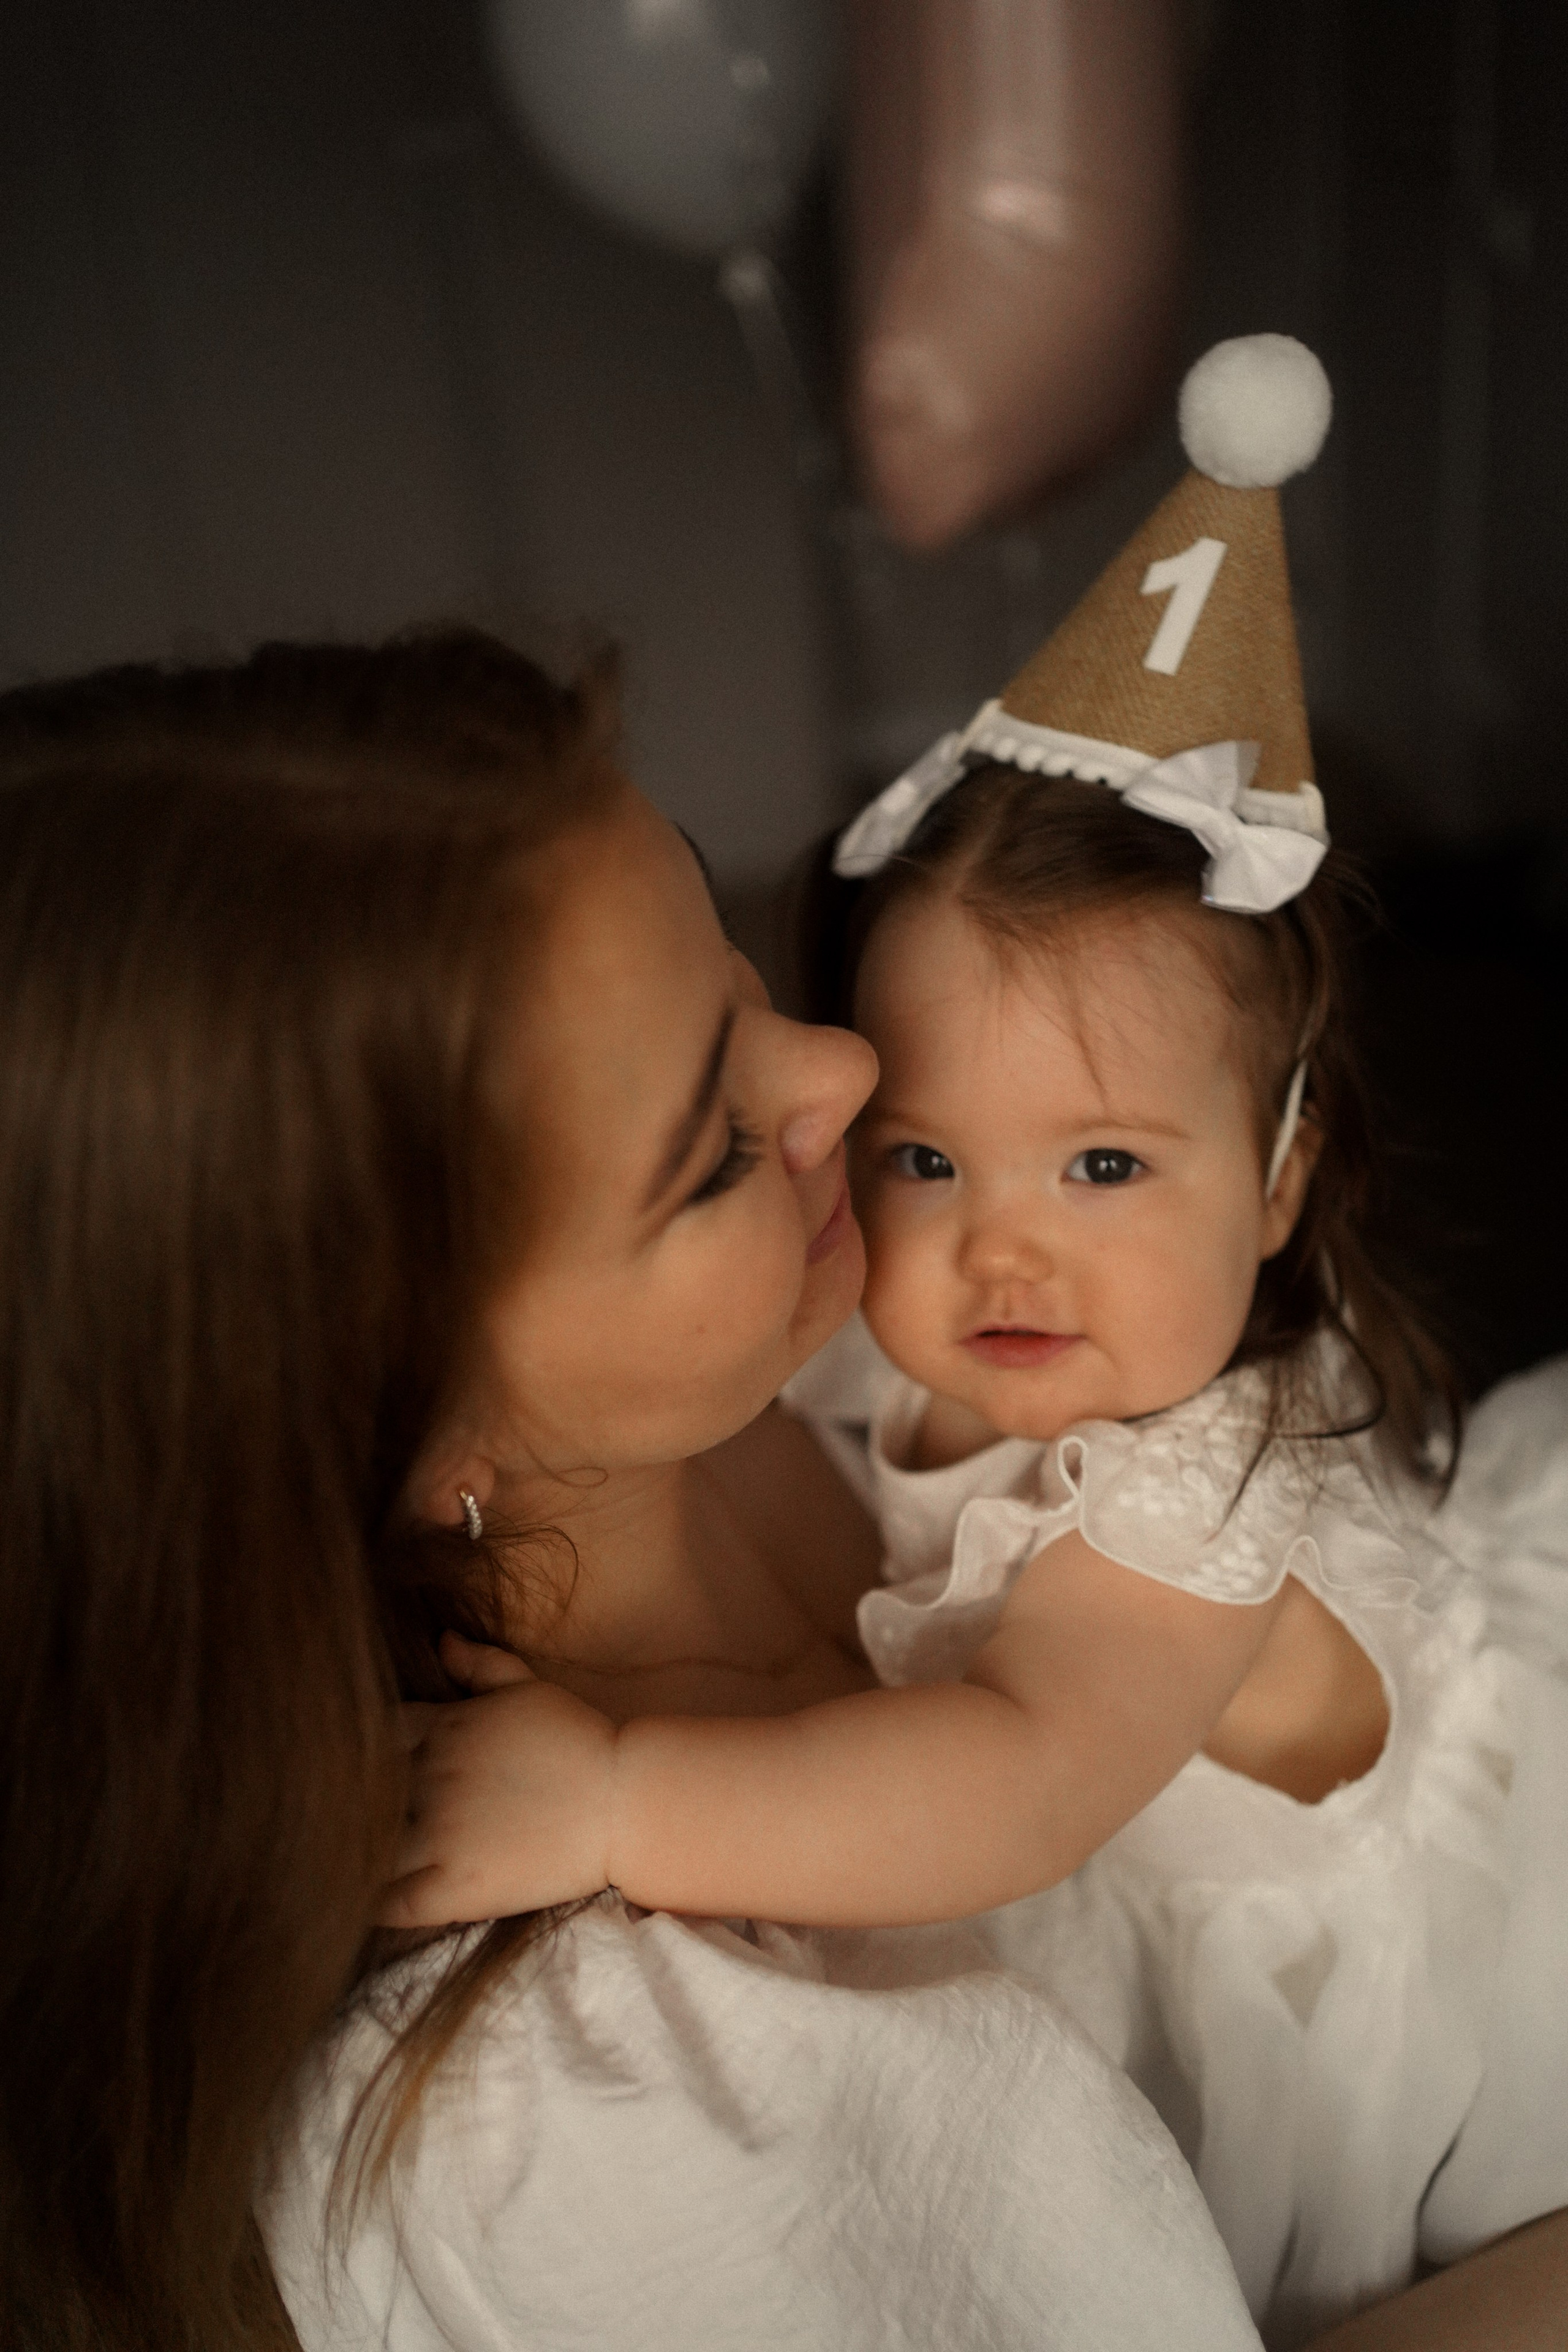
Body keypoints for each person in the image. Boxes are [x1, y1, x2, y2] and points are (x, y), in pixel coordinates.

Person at [385, 344, 1568, 2347]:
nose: (1003, 1246)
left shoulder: (1205, 1473)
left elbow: (1020, 1772)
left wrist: (615, 1802)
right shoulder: (860, 1335)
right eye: (929, 1155)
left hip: (1414, 1939)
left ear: (1281, 1184)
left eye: (1106, 1164)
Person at [0, 630, 1267, 2351]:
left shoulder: (845, 1333)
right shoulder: (567, 2105)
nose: (843, 1067)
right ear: (411, 1436)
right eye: (711, 1155)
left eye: (728, 961)